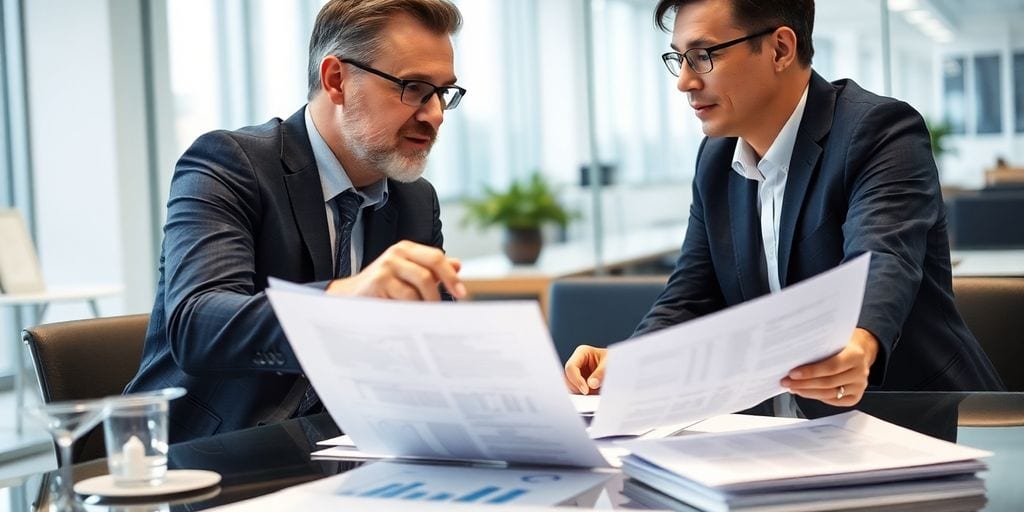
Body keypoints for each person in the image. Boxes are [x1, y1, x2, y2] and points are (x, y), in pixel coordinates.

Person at [564, 0, 1004, 415]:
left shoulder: (878, 130)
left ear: (779, 49)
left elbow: (884, 257)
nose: (685, 81)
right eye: (678, 58)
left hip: (927, 420)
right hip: (786, 438)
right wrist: (629, 361)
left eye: (702, 55)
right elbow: (691, 294)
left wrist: (860, 340)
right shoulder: (716, 160)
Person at [126, 0, 468, 442]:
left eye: (444, 92)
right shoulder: (230, 164)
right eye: (415, 88)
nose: (435, 113)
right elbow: (198, 324)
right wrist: (345, 301)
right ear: (336, 80)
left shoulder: (415, 200)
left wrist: (546, 388)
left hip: (334, 451)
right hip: (199, 462)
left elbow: (435, 344)